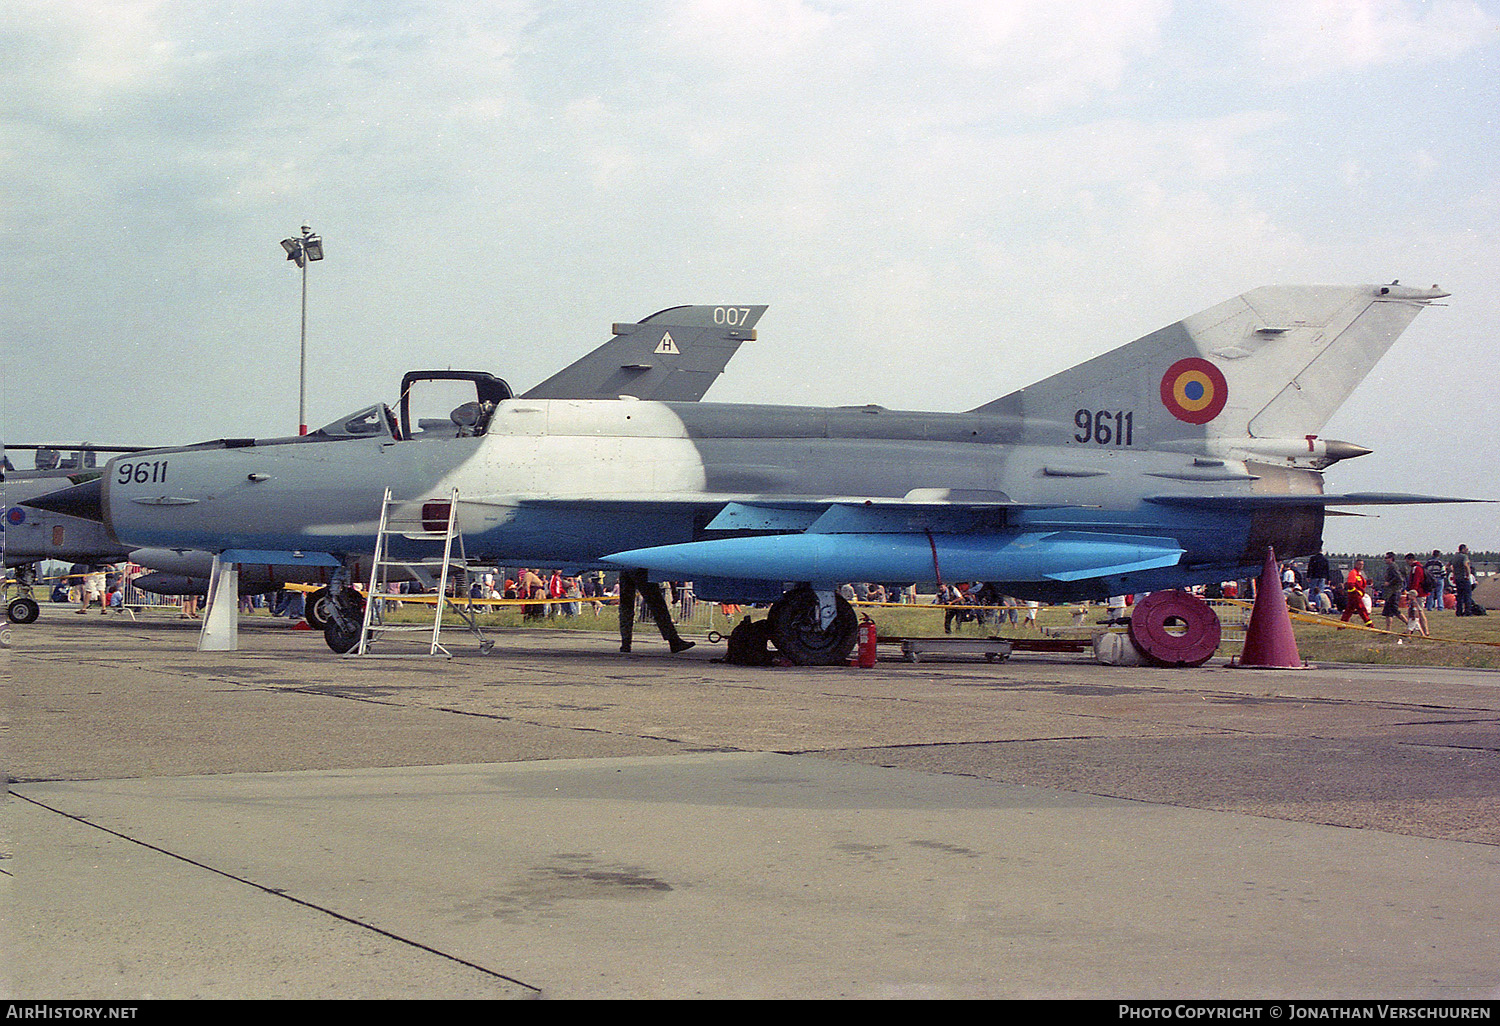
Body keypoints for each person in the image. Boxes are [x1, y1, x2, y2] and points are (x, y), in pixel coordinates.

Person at [1340, 559, 1373, 626]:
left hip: (1356, 596)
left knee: (1349, 610)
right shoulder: (1353, 573)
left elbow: (1360, 584)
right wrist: (1356, 592)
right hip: (1354, 595)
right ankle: (1369, 623)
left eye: (1362, 564)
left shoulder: (1359, 574)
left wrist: (1367, 582)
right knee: (1361, 609)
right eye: (1359, 564)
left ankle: (1342, 624)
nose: (1361, 566)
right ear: (1356, 564)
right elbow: (1350, 584)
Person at [1380, 552, 1406, 631]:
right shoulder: (1390, 567)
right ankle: (1388, 630)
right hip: (1390, 592)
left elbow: (1399, 578)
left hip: (1394, 591)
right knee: (1388, 612)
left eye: (1387, 558)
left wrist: (1389, 582)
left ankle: (1409, 625)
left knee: (1395, 610)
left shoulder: (1393, 566)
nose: (1385, 559)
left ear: (1391, 558)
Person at [1452, 545, 1476, 617]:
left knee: (1459, 596)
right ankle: (1467, 611)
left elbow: (1449, 565)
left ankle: (1459, 611)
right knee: (1467, 595)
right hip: (1464, 578)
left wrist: (1454, 573)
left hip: (1457, 578)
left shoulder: (1455, 557)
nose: (1467, 551)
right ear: (1463, 549)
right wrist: (1468, 574)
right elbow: (1465, 565)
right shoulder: (1464, 556)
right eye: (1466, 549)